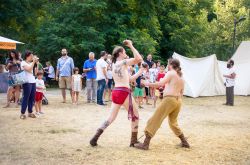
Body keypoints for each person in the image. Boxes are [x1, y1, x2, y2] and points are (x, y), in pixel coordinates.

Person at [89, 40, 144, 147]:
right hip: (124, 92)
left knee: (110, 118)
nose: (125, 53)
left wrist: (141, 71)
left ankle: (95, 137)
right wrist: (131, 45)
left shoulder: (115, 65)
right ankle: (133, 141)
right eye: (124, 52)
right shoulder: (123, 63)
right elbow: (139, 59)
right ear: (120, 53)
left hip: (116, 92)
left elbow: (129, 79)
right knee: (135, 115)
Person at [135, 59, 190, 150]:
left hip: (170, 100)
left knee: (155, 119)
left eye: (168, 63)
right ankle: (184, 142)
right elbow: (181, 92)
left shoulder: (171, 73)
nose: (167, 65)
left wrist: (146, 83)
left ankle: (145, 143)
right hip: (178, 101)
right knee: (173, 123)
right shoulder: (181, 76)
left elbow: (160, 83)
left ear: (171, 65)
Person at [20, 51, 38, 119]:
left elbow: (35, 73)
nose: (32, 57)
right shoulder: (23, 63)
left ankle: (30, 112)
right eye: (31, 56)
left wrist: (36, 64)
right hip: (26, 82)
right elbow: (29, 69)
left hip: (33, 81)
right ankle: (22, 113)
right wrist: (33, 62)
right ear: (27, 56)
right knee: (26, 97)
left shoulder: (31, 63)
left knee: (32, 98)